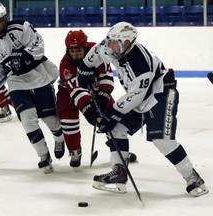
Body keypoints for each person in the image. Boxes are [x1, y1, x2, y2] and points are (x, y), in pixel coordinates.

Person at [77, 21, 209, 197]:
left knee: (161, 140)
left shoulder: (141, 64)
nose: (111, 46)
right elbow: (96, 52)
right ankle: (119, 173)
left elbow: (135, 96)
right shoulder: (110, 47)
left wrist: (111, 113)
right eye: (110, 41)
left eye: (116, 43)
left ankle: (193, 177)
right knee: (115, 129)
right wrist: (84, 70)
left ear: (127, 44)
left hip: (159, 94)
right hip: (139, 96)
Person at [0, 2, 65, 174]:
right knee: (27, 118)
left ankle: (59, 138)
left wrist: (24, 57)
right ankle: (43, 155)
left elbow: (38, 44)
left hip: (38, 77)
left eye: (0, 20)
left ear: (5, 18)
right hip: (17, 84)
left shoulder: (20, 27)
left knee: (50, 119)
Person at [57, 30, 137, 167]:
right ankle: (75, 150)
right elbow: (76, 90)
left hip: (96, 88)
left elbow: (106, 76)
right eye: (72, 51)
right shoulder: (65, 64)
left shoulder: (97, 52)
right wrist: (87, 108)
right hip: (68, 92)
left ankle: (119, 151)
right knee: (67, 120)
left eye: (79, 50)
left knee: (111, 118)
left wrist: (103, 96)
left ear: (85, 47)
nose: (76, 54)